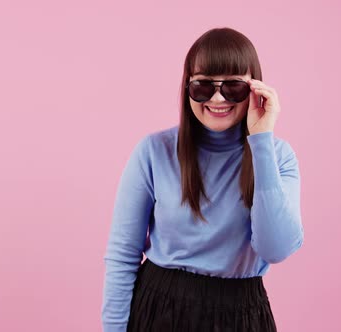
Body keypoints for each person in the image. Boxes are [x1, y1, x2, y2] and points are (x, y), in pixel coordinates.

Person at [101, 27, 304, 332]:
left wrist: (261, 140)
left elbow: (276, 248)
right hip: (159, 310)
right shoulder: (154, 152)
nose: (218, 97)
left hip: (241, 315)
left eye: (233, 86)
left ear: (255, 88)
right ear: (187, 89)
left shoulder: (277, 156)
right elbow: (122, 254)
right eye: (203, 86)